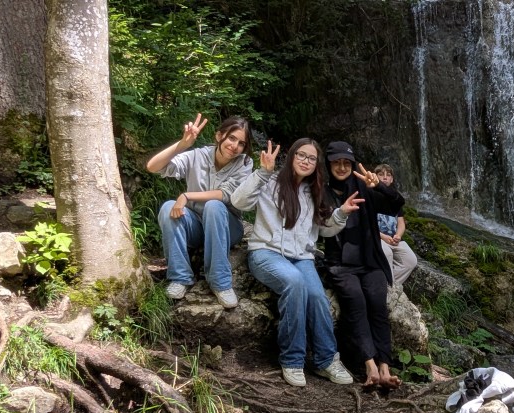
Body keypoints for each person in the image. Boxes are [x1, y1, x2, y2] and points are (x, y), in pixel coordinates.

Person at [230, 138, 359, 387]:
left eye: (311, 158)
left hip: (301, 257)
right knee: (295, 282)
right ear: (291, 156)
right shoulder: (270, 182)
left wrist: (341, 213)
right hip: (265, 253)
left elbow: (324, 230)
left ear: (316, 164)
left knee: (317, 296)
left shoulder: (315, 191)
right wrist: (262, 172)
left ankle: (326, 360)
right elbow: (238, 202)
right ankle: (292, 359)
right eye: (301, 155)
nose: (305, 161)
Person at [148, 114, 254, 309]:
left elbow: (225, 194)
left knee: (214, 205)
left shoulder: (244, 163)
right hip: (197, 226)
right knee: (168, 207)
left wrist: (187, 196)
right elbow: (153, 166)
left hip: (228, 227)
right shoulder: (198, 155)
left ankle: (221, 283)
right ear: (219, 136)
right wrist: (182, 144)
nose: (234, 146)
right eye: (231, 138)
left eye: (241, 143)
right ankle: (180, 278)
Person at [323, 142, 406, 389]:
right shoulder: (322, 191)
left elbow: (396, 204)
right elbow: (320, 227)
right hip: (340, 264)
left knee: (378, 304)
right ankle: (370, 367)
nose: (341, 167)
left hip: (370, 261)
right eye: (336, 162)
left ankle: (385, 367)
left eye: (346, 163)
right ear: (328, 164)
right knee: (356, 303)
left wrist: (379, 186)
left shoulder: (364, 187)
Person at [373, 164, 418, 286]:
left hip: (394, 239)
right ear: (375, 177)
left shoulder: (395, 199)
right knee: (387, 253)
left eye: (388, 175)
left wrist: (398, 235)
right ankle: (388, 288)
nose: (385, 177)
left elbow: (401, 222)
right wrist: (382, 236)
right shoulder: (371, 195)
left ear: (392, 179)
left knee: (410, 260)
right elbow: (366, 223)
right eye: (381, 174)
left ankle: (389, 286)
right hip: (377, 237)